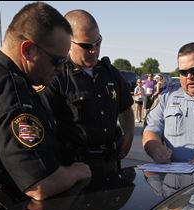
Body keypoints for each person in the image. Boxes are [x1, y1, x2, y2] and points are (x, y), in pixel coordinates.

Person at [0, 2, 91, 210]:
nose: (61, 69)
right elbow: (40, 185)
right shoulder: (13, 93)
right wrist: (78, 171)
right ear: (28, 50)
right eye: (57, 61)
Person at [38, 9, 134, 175]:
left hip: (110, 163)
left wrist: (129, 135)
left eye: (98, 43)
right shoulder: (56, 77)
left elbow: (125, 108)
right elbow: (44, 128)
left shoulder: (109, 73)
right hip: (74, 168)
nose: (94, 51)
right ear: (68, 42)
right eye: (86, 46)